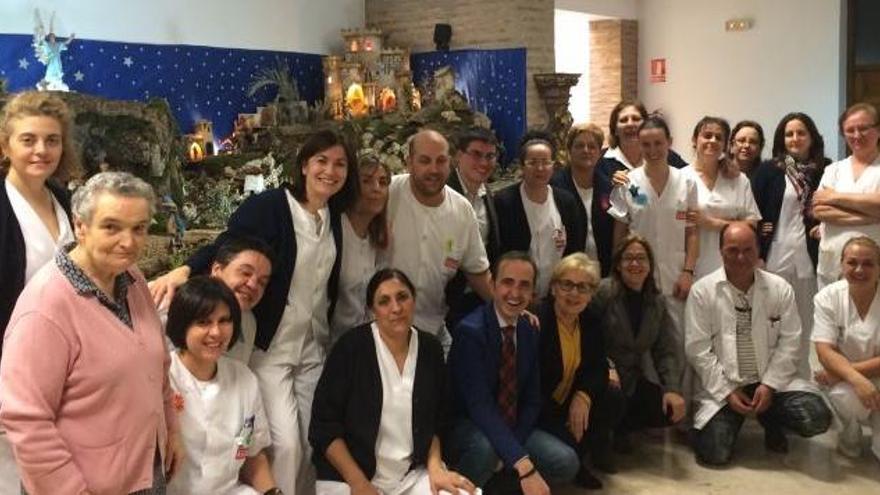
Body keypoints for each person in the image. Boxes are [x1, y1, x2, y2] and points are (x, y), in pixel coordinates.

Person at [150, 129, 358, 495]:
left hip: (313, 345)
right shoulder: (272, 207)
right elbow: (228, 247)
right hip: (272, 345)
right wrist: (183, 270)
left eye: (340, 164)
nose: (331, 171)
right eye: (321, 161)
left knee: (315, 439)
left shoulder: (334, 217)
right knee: (285, 444)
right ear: (304, 165)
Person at [0, 171, 184, 494]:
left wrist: (171, 428)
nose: (128, 242)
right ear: (80, 226)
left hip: (143, 474)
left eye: (138, 228)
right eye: (111, 226)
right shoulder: (45, 309)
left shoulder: (132, 279)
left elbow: (158, 366)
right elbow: (27, 422)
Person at [310, 268, 476, 495]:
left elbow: (439, 422)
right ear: (372, 311)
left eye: (402, 297)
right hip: (350, 478)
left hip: (410, 476)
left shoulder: (430, 349)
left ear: (414, 300)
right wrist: (359, 484)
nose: (396, 308)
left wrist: (435, 468)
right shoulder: (350, 349)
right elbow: (324, 428)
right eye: (384, 301)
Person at [685, 222, 831, 466]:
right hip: (727, 386)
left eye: (747, 249)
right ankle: (724, 422)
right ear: (720, 251)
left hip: (771, 383)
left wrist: (770, 385)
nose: (740, 257)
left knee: (815, 417)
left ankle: (771, 420)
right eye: (732, 250)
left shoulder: (779, 288)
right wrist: (727, 391)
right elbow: (698, 349)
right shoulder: (703, 291)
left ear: (758, 250)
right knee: (714, 453)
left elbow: (791, 341)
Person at [0, 90, 80, 491]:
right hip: (11, 364)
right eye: (28, 139)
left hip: (68, 362)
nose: (41, 150)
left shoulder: (64, 200)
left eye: (52, 140)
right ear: (6, 144)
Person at [448, 251, 579, 495]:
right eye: (508, 282)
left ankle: (497, 484)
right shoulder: (470, 332)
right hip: (468, 424)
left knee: (566, 461)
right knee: (486, 450)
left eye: (524, 286)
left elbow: (531, 399)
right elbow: (479, 406)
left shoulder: (529, 330)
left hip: (510, 424)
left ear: (533, 292)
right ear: (492, 284)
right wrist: (522, 462)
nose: (515, 293)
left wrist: (512, 450)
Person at [165, 276, 279, 495]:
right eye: (204, 322)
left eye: (224, 320)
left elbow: (253, 456)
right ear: (182, 325)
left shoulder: (243, 378)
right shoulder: (164, 377)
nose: (216, 332)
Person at [386, 129, 492, 352]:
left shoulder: (462, 210)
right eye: (424, 161)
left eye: (441, 161)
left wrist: (507, 309)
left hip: (431, 329)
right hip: (381, 328)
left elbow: (477, 271)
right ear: (409, 162)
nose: (433, 169)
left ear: (450, 162)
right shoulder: (387, 193)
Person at [590, 236, 686, 460]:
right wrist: (607, 367)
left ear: (650, 265)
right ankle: (600, 437)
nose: (635, 264)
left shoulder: (657, 302)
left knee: (667, 411)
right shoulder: (603, 293)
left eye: (641, 258)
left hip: (632, 378)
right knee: (613, 398)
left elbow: (666, 350)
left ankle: (622, 428)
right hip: (602, 376)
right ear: (618, 264)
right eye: (629, 258)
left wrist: (672, 389)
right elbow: (589, 339)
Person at [751, 112, 828, 378]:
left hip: (808, 256)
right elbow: (755, 215)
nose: (795, 138)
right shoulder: (769, 170)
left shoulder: (826, 170)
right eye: (789, 134)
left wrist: (824, 226)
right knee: (772, 322)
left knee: (806, 322)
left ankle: (802, 380)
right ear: (782, 139)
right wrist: (758, 253)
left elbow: (829, 209)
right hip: (774, 255)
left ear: (812, 137)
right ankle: (770, 380)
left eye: (801, 133)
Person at [608, 115, 699, 332]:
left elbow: (693, 233)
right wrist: (619, 272)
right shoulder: (629, 183)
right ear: (639, 145)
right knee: (640, 340)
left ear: (670, 142)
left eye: (658, 143)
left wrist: (688, 272)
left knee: (677, 343)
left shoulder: (687, 182)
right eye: (646, 144)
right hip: (637, 275)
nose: (652, 150)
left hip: (676, 276)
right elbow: (620, 232)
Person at [537, 253, 616, 489]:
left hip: (568, 401)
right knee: (564, 458)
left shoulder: (590, 321)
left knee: (612, 397)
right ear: (553, 289)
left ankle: (582, 457)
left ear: (591, 294)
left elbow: (598, 367)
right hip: (537, 410)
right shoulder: (538, 320)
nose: (574, 293)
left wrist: (583, 396)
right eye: (567, 284)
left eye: (583, 287)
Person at [592, 101, 689, 276]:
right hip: (620, 249)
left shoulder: (666, 156)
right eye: (623, 120)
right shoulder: (602, 162)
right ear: (614, 128)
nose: (630, 123)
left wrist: (723, 163)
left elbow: (694, 173)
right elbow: (602, 204)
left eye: (636, 118)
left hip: (669, 258)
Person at [812, 236, 880, 461]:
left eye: (869, 263)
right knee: (843, 396)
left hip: (843, 376)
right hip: (848, 384)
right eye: (852, 262)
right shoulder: (827, 298)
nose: (859, 270)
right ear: (841, 264)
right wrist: (856, 379)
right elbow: (824, 351)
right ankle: (849, 435)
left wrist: (840, 374)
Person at [495, 129, 586, 297]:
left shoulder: (566, 201)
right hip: (517, 294)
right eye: (533, 162)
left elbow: (575, 248)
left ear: (553, 165)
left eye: (546, 162)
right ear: (522, 166)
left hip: (557, 294)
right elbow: (498, 251)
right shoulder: (504, 202)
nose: (540, 168)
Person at [813, 103, 880, 289]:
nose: (857, 135)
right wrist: (872, 216)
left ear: (878, 130)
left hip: (873, 265)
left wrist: (835, 197)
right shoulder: (833, 170)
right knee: (831, 315)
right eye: (850, 130)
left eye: (863, 128)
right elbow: (820, 210)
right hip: (832, 262)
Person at [683, 117, 760, 279]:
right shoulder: (680, 178)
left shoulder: (739, 179)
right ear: (694, 140)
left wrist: (711, 223)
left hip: (732, 266)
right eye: (707, 135)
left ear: (726, 145)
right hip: (691, 268)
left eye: (719, 138)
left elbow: (752, 226)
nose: (712, 140)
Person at [329, 150, 390, 347]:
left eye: (382, 182)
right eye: (367, 181)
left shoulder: (376, 236)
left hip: (361, 344)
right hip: (326, 347)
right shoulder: (334, 230)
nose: (376, 188)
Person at [446, 127, 502, 327]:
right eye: (476, 155)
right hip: (449, 298)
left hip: (482, 294)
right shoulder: (443, 193)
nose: (484, 163)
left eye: (490, 156)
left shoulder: (487, 192)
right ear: (459, 156)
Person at [209, 236, 274, 365]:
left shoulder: (248, 323)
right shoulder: (172, 307)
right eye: (245, 273)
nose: (253, 285)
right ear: (217, 270)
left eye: (262, 282)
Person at [551, 123, 604, 259]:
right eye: (579, 146)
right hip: (567, 268)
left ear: (599, 152)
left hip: (603, 271)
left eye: (592, 146)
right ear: (569, 150)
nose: (586, 150)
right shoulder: (554, 186)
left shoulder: (607, 186)